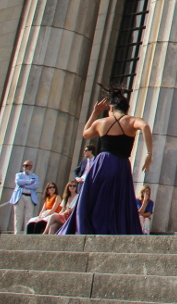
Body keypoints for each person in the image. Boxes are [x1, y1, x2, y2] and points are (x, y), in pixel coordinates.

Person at [61, 87, 152, 235]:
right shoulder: (132, 121)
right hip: (121, 163)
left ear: (110, 107)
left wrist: (95, 113)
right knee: (118, 198)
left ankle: (93, 227)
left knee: (97, 197)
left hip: (102, 163)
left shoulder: (101, 122)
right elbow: (145, 126)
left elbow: (85, 133)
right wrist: (149, 153)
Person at [9, 160, 40, 234]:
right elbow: (18, 182)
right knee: (18, 216)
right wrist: (29, 182)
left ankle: (27, 233)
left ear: (31, 166)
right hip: (20, 196)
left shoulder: (35, 176)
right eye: (24, 165)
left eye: (26, 165)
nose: (24, 167)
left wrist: (25, 185)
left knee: (29, 216)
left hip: (30, 197)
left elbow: (36, 185)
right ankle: (17, 233)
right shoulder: (19, 175)